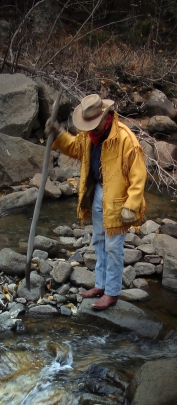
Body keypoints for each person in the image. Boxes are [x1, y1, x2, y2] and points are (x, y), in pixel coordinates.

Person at [45, 94, 147, 310]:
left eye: (93, 123)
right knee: (99, 242)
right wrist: (59, 135)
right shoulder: (89, 135)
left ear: (104, 115)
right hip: (98, 191)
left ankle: (112, 292)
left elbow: (138, 175)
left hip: (118, 199)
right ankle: (100, 285)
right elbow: (75, 148)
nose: (90, 128)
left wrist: (131, 204)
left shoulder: (124, 138)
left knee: (112, 246)